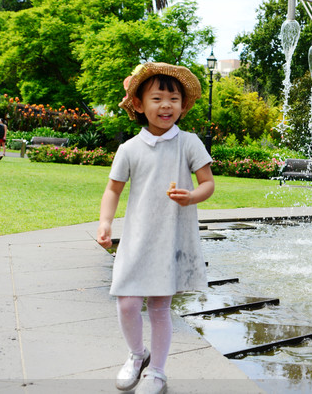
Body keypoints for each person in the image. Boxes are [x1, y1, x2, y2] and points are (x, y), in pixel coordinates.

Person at [96, 62, 214, 394]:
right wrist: (105, 223)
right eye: (157, 98)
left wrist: (191, 196)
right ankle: (137, 355)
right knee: (128, 303)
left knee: (161, 307)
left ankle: (157, 371)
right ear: (138, 104)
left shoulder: (189, 143)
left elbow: (208, 184)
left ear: (182, 105)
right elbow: (113, 190)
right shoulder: (129, 149)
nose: (166, 105)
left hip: (170, 238)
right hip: (136, 239)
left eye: (173, 98)